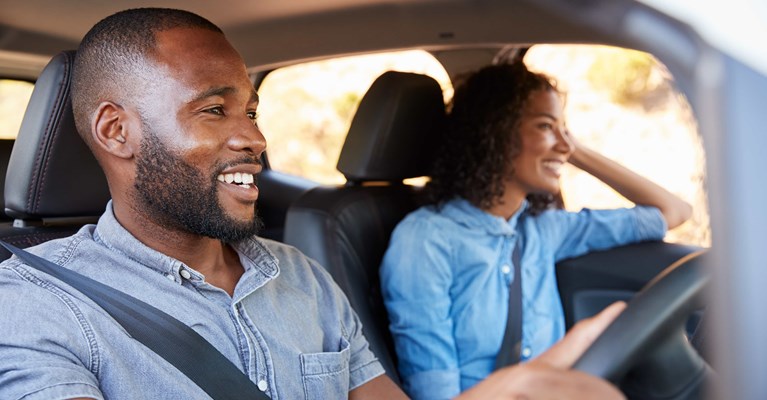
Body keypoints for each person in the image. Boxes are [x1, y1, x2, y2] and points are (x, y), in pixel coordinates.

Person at [0, 7, 627, 400]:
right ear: (116, 132)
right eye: (214, 111)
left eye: (251, 111)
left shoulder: (299, 276)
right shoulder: (35, 305)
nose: (254, 138)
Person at [380, 62, 693, 399]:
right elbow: (437, 396)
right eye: (546, 126)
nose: (564, 144)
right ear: (494, 133)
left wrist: (574, 150)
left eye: (566, 130)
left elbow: (673, 211)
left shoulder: (545, 229)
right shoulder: (424, 241)